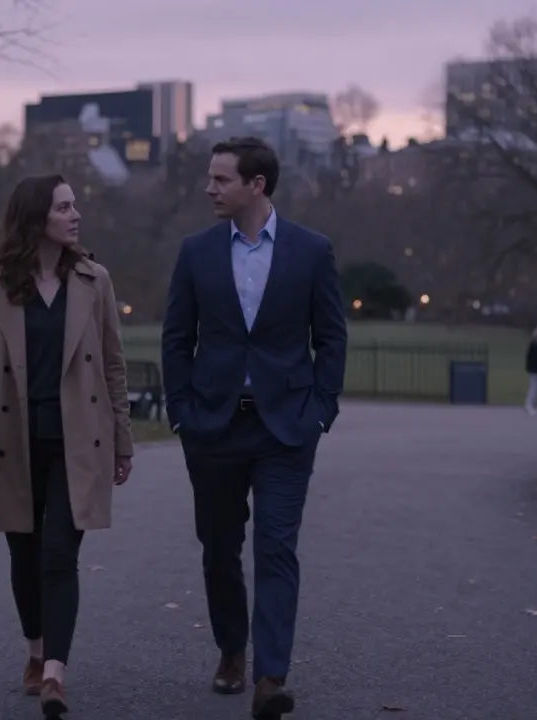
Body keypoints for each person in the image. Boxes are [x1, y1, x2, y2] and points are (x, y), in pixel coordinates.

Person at [161, 136, 348, 719]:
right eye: (211, 178)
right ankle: (232, 648)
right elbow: (175, 338)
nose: (209, 188)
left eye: (221, 179)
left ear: (256, 185)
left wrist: (321, 410)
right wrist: (182, 412)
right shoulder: (195, 253)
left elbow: (332, 336)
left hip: (286, 430)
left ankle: (271, 675)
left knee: (275, 546)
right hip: (212, 427)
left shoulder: (311, 251)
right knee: (219, 549)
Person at [0, 174, 135, 718]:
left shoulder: (93, 279)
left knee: (59, 554)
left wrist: (123, 442)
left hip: (79, 442)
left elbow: (113, 365)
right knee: (24, 554)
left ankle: (55, 671)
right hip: (14, 442)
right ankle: (34, 648)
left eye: (75, 204)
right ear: (37, 219)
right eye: (63, 207)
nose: (75, 214)